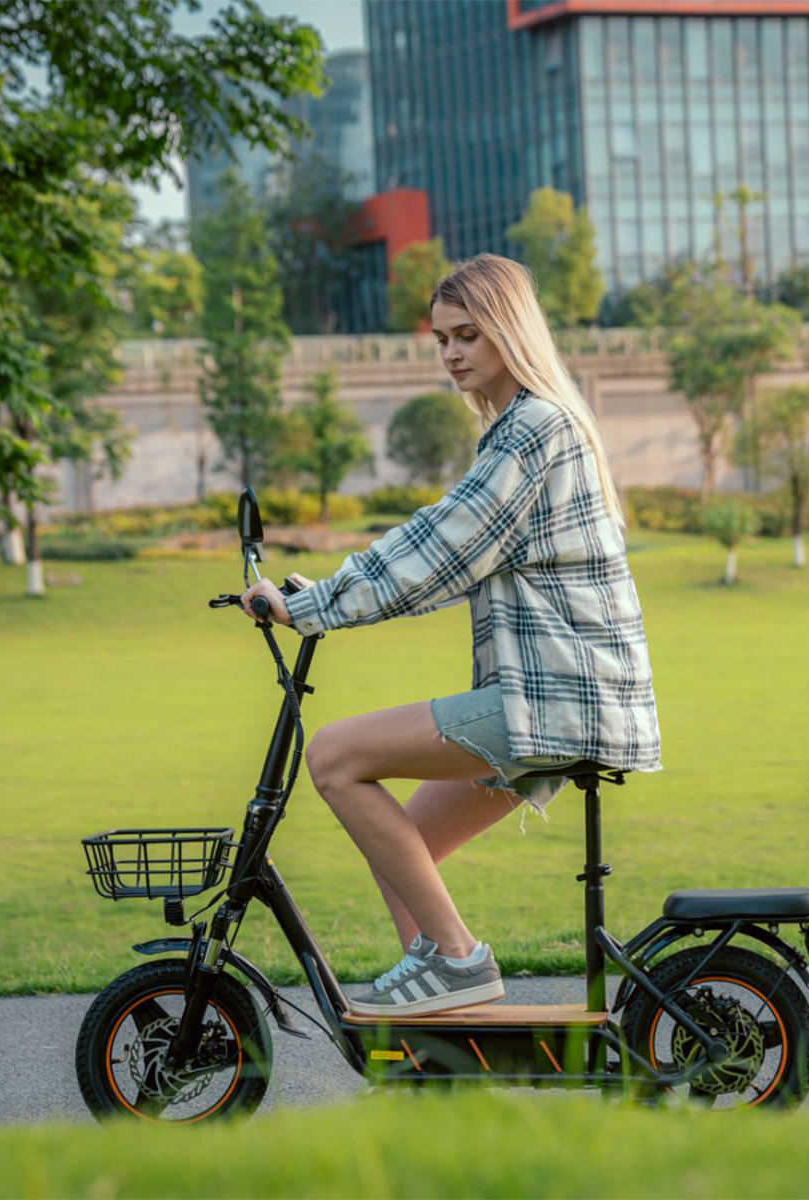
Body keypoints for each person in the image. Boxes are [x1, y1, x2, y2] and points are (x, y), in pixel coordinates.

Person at [241, 254, 661, 1016]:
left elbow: (441, 546)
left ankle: (459, 965)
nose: (452, 354)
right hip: (555, 698)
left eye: (468, 334)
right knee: (405, 851)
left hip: (551, 702)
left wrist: (313, 607)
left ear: (510, 328)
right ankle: (443, 1018)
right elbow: (444, 550)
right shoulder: (523, 428)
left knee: (333, 755)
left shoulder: (532, 429)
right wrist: (321, 595)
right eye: (441, 339)